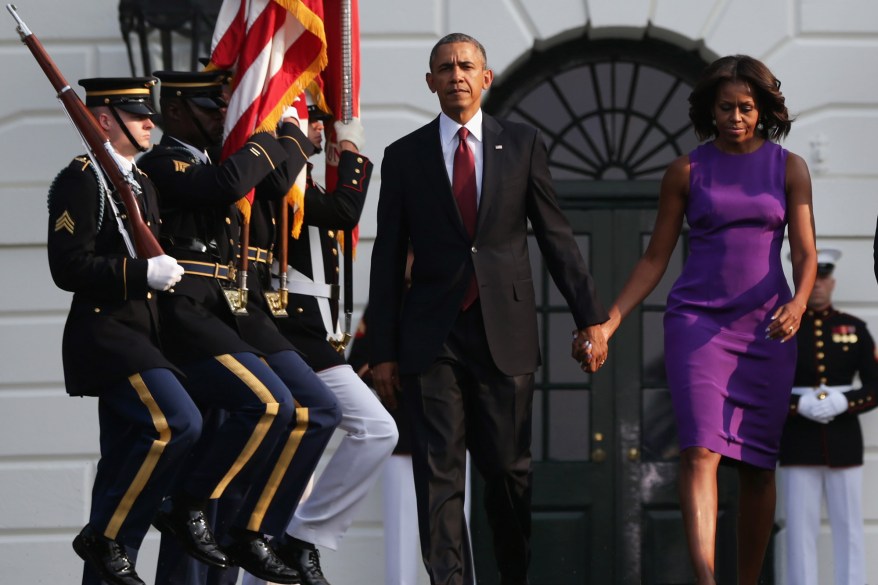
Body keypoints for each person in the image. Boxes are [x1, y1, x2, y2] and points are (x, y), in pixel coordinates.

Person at [368, 33, 609, 585]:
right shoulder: (404, 156)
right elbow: (386, 257)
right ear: (430, 81)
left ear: (486, 78)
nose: (456, 74)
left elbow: (555, 236)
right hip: (432, 338)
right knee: (439, 477)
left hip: (506, 332)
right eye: (445, 67)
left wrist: (589, 317)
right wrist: (382, 350)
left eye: (466, 66)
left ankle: (511, 575)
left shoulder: (521, 144)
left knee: (506, 473)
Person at [592, 55, 818, 584]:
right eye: (726, 107)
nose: (736, 116)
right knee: (699, 450)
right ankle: (707, 580)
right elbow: (655, 259)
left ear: (762, 110)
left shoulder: (789, 168)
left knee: (760, 466)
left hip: (769, 326)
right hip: (698, 325)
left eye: (746, 107)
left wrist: (800, 302)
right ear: (710, 111)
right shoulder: (686, 171)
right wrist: (611, 320)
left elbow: (806, 255)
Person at [139, 70, 337, 585]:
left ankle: (253, 529)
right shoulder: (165, 162)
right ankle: (191, 506)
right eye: (210, 108)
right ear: (177, 111)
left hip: (235, 310)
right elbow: (228, 185)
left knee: (319, 409)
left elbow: (265, 181)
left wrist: (278, 126)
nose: (221, 117)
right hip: (191, 313)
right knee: (268, 407)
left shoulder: (219, 159)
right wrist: (286, 132)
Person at [47, 76, 201, 585]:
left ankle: (107, 553)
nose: (150, 123)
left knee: (118, 474)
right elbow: (68, 266)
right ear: (106, 120)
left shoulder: (140, 184)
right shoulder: (83, 179)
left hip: (142, 336)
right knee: (178, 422)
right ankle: (105, 538)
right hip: (108, 337)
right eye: (139, 116)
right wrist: (140, 274)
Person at [240, 99, 397, 585]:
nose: (320, 129)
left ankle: (303, 537)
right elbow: (344, 211)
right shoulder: (278, 176)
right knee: (262, 469)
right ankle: (273, 543)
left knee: (377, 430)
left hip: (312, 337)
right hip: (279, 330)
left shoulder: (299, 173)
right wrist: (348, 147)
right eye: (313, 119)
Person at [778, 248, 878, 585]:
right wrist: (795, 405)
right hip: (797, 440)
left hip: (844, 440)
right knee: (799, 529)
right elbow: (764, 384)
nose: (817, 284)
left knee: (849, 526)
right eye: (811, 276)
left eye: (823, 277)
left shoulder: (854, 328)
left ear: (832, 282)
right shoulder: (783, 328)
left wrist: (845, 401)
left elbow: (876, 385)